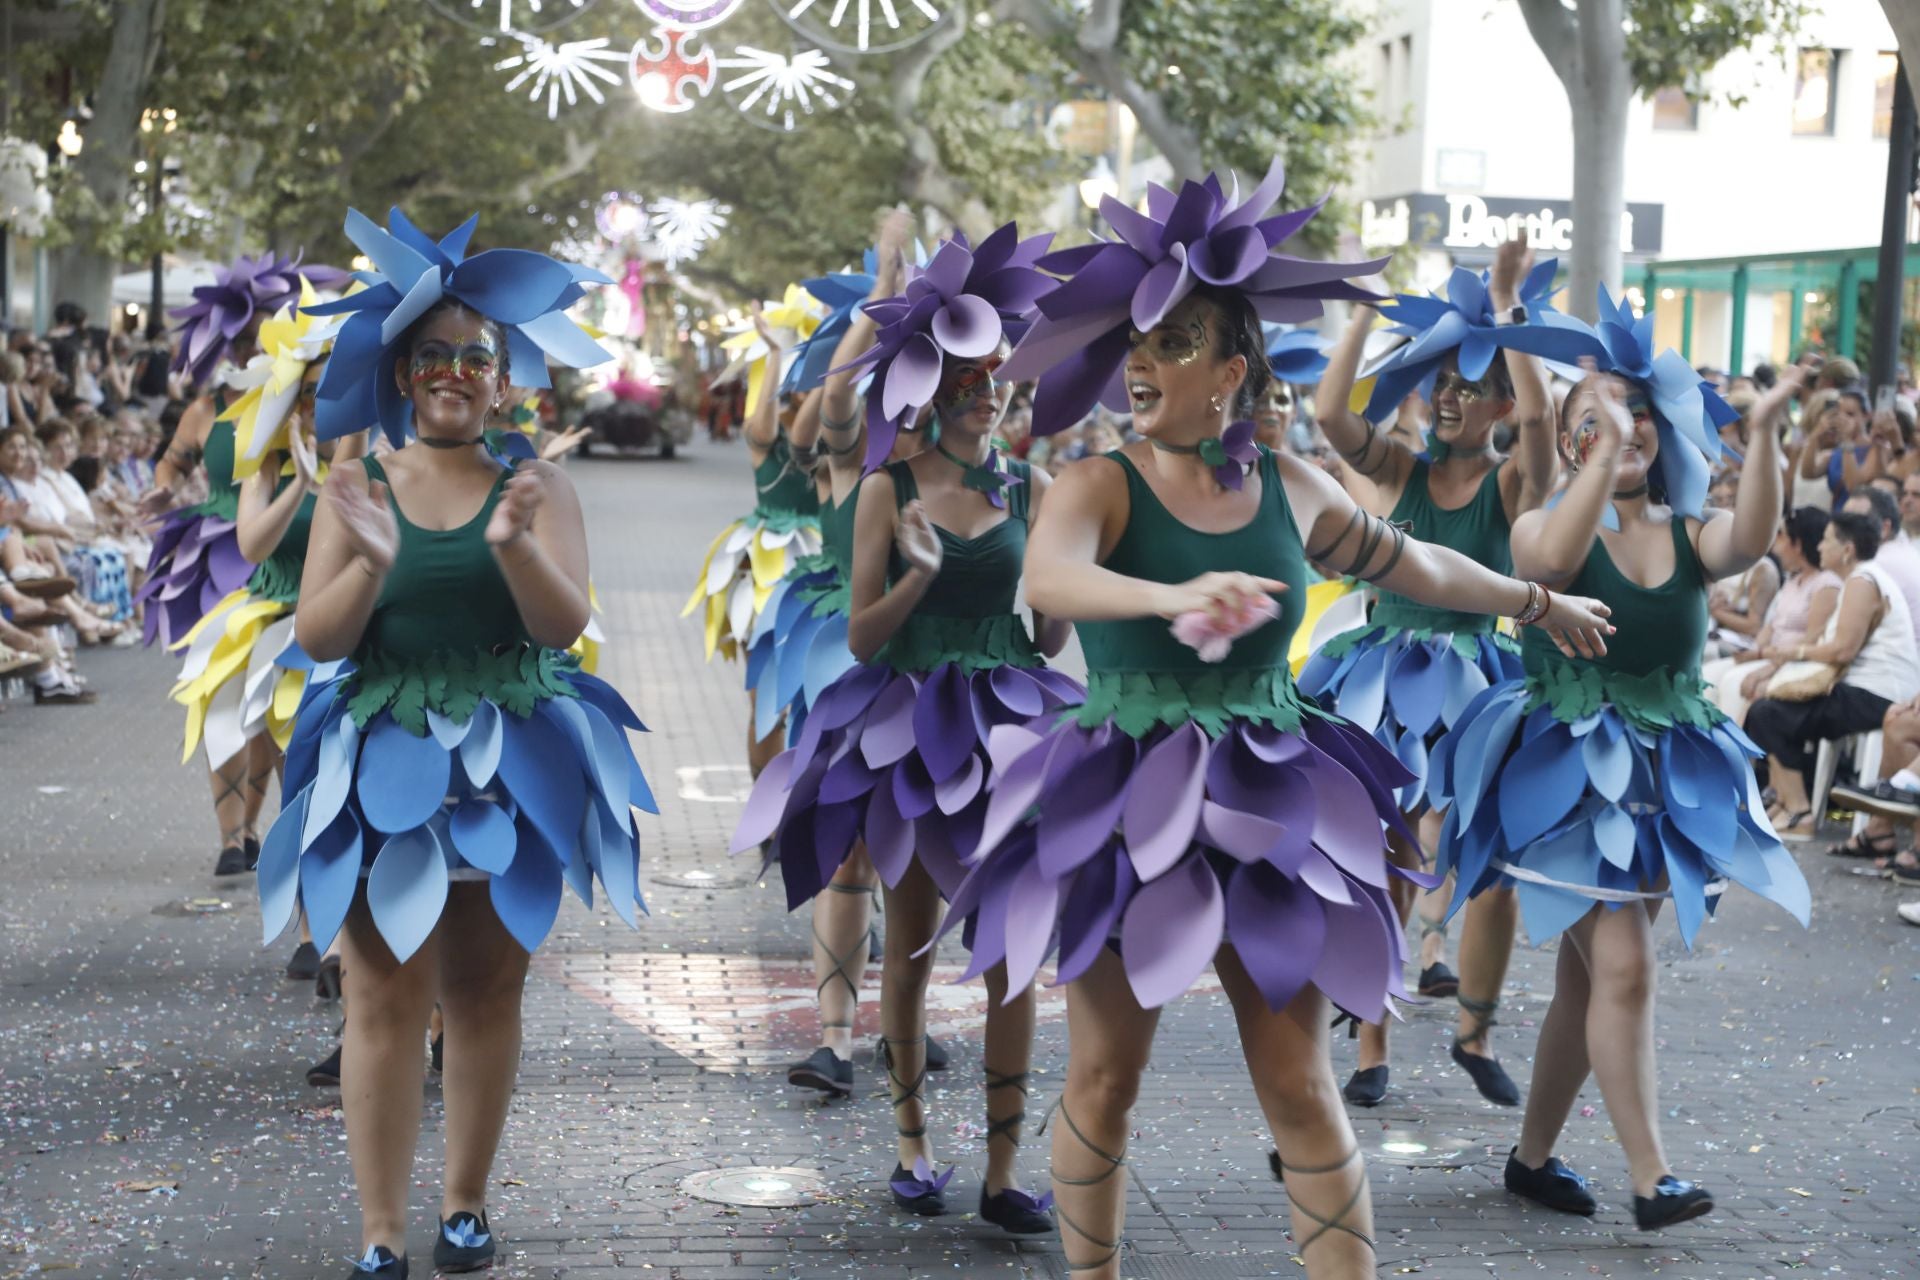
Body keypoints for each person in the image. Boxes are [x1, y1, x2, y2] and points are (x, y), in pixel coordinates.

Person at [938, 160, 1612, 1280]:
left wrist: (1535, 598)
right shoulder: (1096, 483)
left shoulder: (1293, 483)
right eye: (1137, 345)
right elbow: (1052, 582)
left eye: (1174, 342)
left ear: (1232, 370)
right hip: (1122, 789)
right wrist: (1168, 596)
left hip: (1266, 781)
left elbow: (1419, 560)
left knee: (1297, 1075)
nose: (1141, 363)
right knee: (1106, 1073)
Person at [258, 206, 648, 1279]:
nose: (455, 372)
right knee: (383, 996)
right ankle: (382, 1228)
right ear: (401, 369)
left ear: (503, 375)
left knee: (485, 990)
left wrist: (517, 543)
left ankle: (466, 1206)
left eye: (476, 356)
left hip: (507, 760)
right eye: (434, 355)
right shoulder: (359, 486)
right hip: (387, 751)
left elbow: (562, 626)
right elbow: (319, 636)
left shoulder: (541, 485)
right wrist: (372, 560)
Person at [735, 219, 1072, 1234]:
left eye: (1000, 384)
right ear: (934, 390)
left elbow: (1050, 638)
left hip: (1012, 724)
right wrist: (921, 573)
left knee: (1013, 947)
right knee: (915, 942)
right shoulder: (885, 485)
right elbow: (866, 637)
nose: (991, 400)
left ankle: (1005, 1169)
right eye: (972, 385)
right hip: (909, 725)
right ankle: (913, 1142)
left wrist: (1060, 593)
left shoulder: (1032, 485)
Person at [1431, 339, 1810, 1233]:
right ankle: (1652, 1177)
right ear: (1568, 444)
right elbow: (1553, 565)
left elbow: (1750, 537)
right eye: (1591, 419)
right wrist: (1600, 454)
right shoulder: (1537, 524)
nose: (1622, 430)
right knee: (1625, 969)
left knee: (1585, 983)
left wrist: (1759, 434)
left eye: (1637, 412)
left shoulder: (1684, 531)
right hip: (1572, 783)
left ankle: (1530, 1160)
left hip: (1662, 781)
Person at [1299, 239, 1584, 1108]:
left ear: (1500, 399)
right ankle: (1371, 1050)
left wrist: (1507, 314)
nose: (1455, 399)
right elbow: (1331, 416)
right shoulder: (1400, 467)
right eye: (1445, 385)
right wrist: (1362, 307)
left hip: (1478, 678)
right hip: (1383, 672)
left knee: (1484, 847)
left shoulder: (1510, 486)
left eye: (1475, 386)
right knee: (1384, 852)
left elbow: (1542, 432)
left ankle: (1475, 1030)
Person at [739, 212, 919, 1100]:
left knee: (915, 865)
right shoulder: (852, 459)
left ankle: (906, 1026)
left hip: (943, 692)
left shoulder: (987, 472)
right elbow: (840, 399)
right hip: (852, 673)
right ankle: (837, 1039)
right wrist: (883, 295)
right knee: (850, 854)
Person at [136, 252, 313, 876]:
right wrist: (163, 486)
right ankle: (231, 839)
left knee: (272, 706)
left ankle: (258, 825)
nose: (242, 349)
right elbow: (173, 462)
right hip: (215, 560)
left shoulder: (300, 402)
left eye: (254, 333)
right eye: (233, 339)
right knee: (221, 698)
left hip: (286, 553)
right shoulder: (206, 408)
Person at [681, 315, 825, 780]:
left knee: (818, 698)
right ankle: (768, 821)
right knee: (766, 702)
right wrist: (776, 357)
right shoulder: (763, 436)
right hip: (761, 564)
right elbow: (763, 419)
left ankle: (804, 810)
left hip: (825, 566)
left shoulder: (838, 439)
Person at [1745, 508, 1920, 840]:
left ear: (1847, 549)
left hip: (1876, 694)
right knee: (1766, 709)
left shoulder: (1862, 579)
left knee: (1770, 713)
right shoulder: (1860, 577)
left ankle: (1799, 811)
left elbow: (1842, 650)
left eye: (1826, 541)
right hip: (1862, 689)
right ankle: (1784, 802)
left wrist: (1793, 653)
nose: (1820, 547)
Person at [1704, 507, 1841, 726]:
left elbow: (1812, 639)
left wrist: (1765, 661)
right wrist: (1753, 650)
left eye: (1782, 536)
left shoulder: (1826, 585)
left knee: (1732, 684)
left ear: (1798, 544)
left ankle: (1732, 756)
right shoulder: (1793, 580)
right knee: (1707, 677)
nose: (1776, 546)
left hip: (1793, 661)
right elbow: (1771, 626)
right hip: (1768, 654)